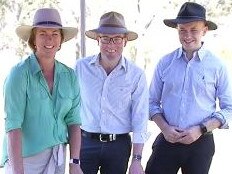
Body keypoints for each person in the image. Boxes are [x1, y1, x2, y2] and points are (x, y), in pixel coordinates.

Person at [145, 2, 232, 174]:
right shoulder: (165, 63)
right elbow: (151, 102)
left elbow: (229, 108)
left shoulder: (217, 66)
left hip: (201, 144)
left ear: (205, 30)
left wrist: (201, 129)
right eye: (182, 30)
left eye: (194, 30)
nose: (187, 35)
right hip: (167, 140)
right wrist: (165, 128)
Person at [0, 8, 83, 174]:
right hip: (25, 160)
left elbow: (74, 122)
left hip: (58, 157)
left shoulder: (69, 76)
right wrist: (18, 171)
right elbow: (13, 127)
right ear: (34, 40)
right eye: (42, 33)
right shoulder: (19, 74)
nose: (49, 39)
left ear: (61, 40)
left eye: (55, 34)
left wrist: (75, 162)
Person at [75, 11, 149, 174]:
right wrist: (73, 159)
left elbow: (140, 117)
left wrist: (137, 160)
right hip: (85, 143)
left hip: (118, 146)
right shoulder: (80, 68)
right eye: (106, 39)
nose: (111, 45)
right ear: (97, 40)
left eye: (116, 39)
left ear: (125, 41)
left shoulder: (136, 75)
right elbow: (70, 107)